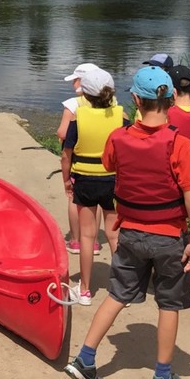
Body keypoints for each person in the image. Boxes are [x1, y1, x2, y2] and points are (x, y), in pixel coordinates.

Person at [64, 65, 190, 379]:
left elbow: (112, 164)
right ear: (172, 97)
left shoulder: (118, 137)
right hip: (169, 236)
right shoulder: (180, 145)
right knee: (169, 303)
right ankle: (162, 378)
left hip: (129, 233)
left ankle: (85, 358)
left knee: (117, 294)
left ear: (135, 100)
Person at [60, 67, 127, 306]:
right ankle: (122, 290)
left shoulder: (79, 118)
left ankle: (85, 290)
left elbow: (66, 155)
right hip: (114, 180)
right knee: (114, 235)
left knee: (87, 236)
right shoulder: (122, 117)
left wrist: (67, 180)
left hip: (86, 180)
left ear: (85, 95)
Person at [57, 63, 102, 259]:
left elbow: (63, 132)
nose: (73, 83)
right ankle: (94, 241)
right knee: (98, 203)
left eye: (75, 79)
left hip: (78, 160)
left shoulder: (72, 104)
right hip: (102, 162)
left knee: (74, 199)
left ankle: (76, 239)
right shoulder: (109, 104)